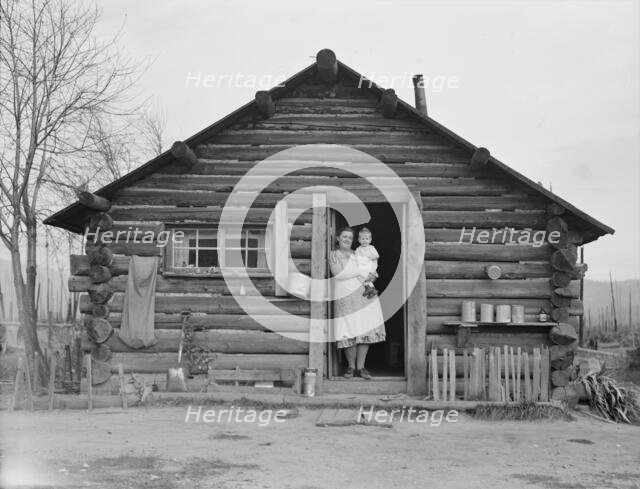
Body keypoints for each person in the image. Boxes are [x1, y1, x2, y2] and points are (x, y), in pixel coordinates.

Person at [329, 226, 386, 380]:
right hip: (345, 298)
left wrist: (373, 275)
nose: (347, 239)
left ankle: (361, 367)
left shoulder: (358, 253)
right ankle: (350, 367)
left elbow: (371, 270)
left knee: (364, 331)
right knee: (349, 330)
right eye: (344, 236)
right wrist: (359, 272)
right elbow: (338, 274)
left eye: (350, 237)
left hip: (364, 295)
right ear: (338, 238)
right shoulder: (334, 254)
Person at [354, 227, 379, 299]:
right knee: (360, 278)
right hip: (363, 268)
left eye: (367, 239)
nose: (365, 241)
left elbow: (377, 256)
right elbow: (356, 258)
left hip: (370, 268)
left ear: (370, 240)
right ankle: (371, 289)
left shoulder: (371, 248)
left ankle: (370, 289)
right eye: (362, 239)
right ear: (359, 240)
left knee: (366, 278)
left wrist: (370, 257)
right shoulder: (358, 249)